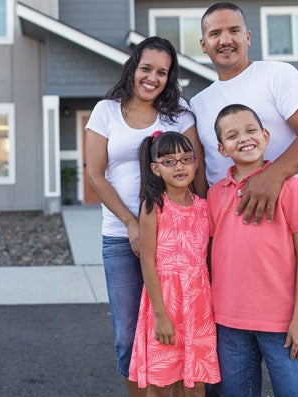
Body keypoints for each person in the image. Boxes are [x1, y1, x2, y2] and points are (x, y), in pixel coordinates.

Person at [189, 2, 298, 396]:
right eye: (216, 34)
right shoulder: (200, 104)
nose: (226, 39)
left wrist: (270, 177)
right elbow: (204, 175)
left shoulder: (278, 75)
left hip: (285, 235)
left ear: (247, 36)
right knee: (236, 355)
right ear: (203, 44)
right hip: (232, 248)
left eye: (234, 30)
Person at [85, 36, 207, 396]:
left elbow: (195, 172)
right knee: (127, 335)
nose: (152, 78)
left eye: (162, 72)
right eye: (146, 69)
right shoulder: (106, 111)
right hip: (122, 238)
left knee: (178, 329)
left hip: (176, 241)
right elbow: (95, 173)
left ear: (170, 78)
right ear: (133, 68)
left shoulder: (179, 114)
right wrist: (130, 222)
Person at [208, 104, 298, 396]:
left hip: (282, 323)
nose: (244, 138)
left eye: (250, 130)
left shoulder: (289, 187)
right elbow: (211, 253)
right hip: (229, 322)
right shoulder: (215, 194)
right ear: (222, 149)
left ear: (266, 135)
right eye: (232, 135)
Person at [128, 130, 220, 396]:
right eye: (169, 161)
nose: (179, 166)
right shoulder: (152, 207)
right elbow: (147, 260)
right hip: (165, 303)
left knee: (195, 380)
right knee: (161, 379)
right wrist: (160, 315)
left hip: (199, 305)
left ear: (196, 163)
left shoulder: (205, 207)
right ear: (155, 169)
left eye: (185, 159)